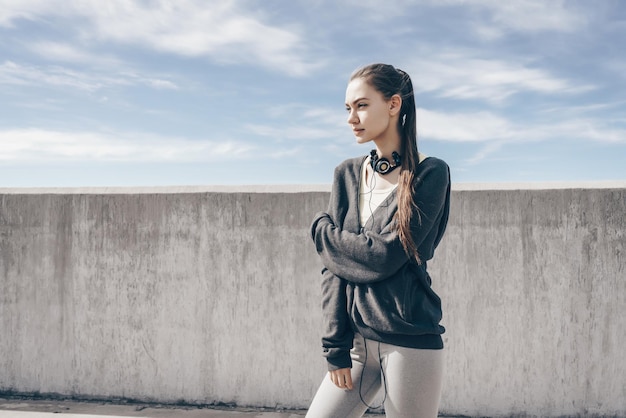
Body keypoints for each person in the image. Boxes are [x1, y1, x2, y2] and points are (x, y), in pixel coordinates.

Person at [306, 63, 451, 418]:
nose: (351, 118)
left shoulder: (430, 174)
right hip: (356, 345)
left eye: (362, 105)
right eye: (347, 108)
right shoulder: (347, 175)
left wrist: (322, 233)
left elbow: (384, 256)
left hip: (409, 342)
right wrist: (335, 347)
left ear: (394, 104)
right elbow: (334, 270)